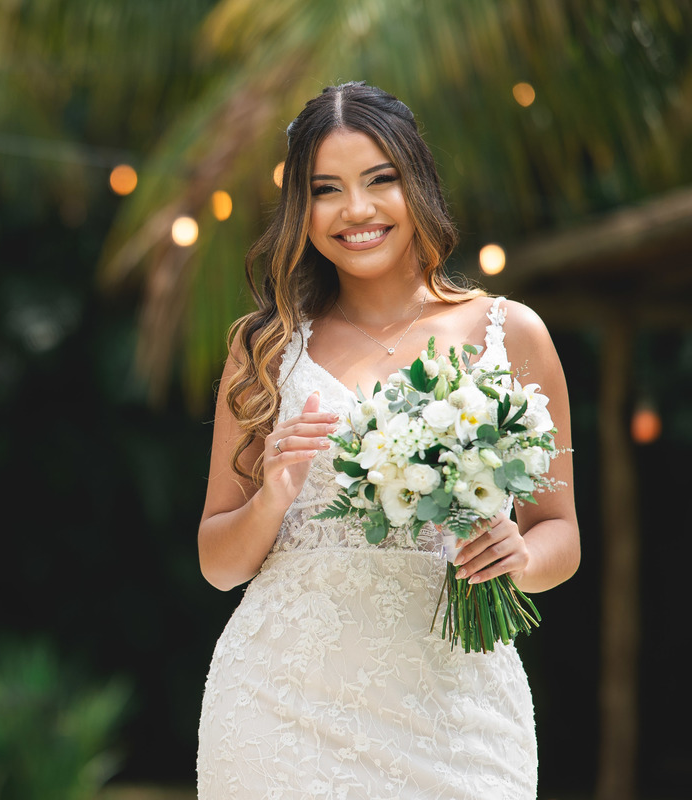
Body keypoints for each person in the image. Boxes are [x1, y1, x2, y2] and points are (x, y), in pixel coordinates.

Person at [195, 81, 580, 798]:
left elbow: (560, 535)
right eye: (327, 189)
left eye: (381, 180)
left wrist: (520, 557)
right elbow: (219, 565)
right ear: (300, 210)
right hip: (280, 710)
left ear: (419, 184)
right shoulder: (265, 351)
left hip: (457, 716)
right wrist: (271, 496)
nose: (358, 210)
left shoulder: (510, 333)